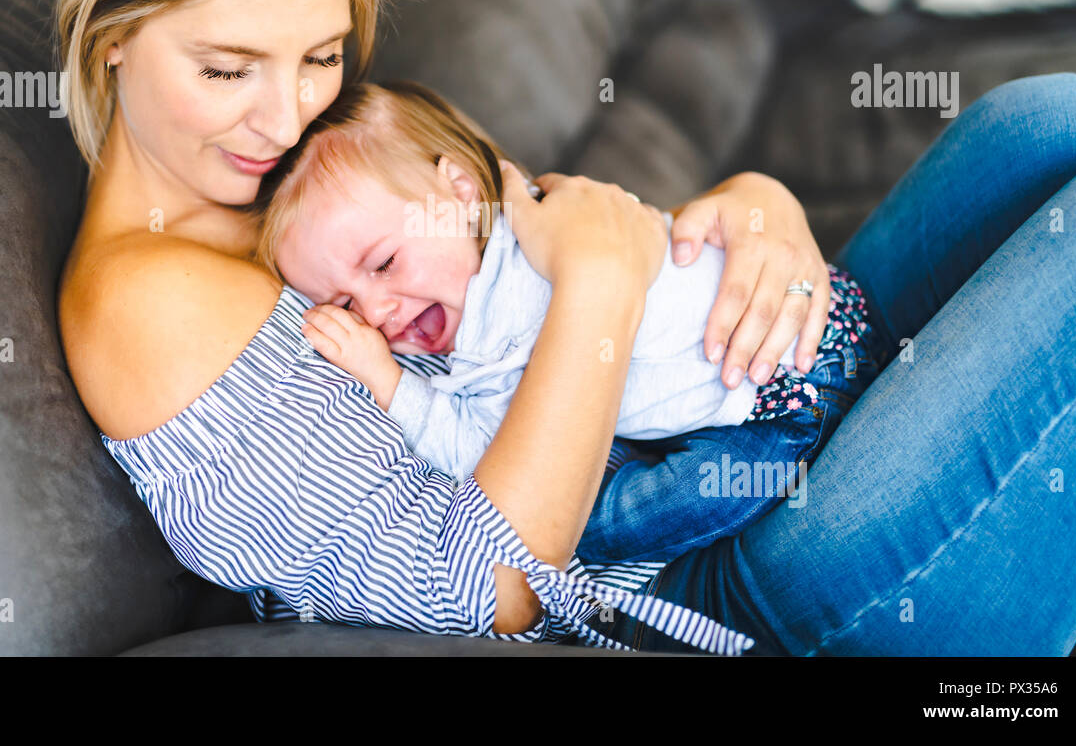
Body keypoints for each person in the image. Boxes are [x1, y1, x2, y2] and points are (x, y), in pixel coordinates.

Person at [9, 0, 1076, 654]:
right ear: (112, 33)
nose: (287, 111)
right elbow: (483, 587)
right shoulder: (145, 301)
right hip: (713, 576)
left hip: (727, 407)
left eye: (320, 55)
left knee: (1048, 121)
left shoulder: (289, 164)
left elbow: (558, 233)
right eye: (225, 67)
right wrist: (604, 286)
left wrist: (756, 212)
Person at [253, 79, 879, 563]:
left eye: (385, 261)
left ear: (462, 190)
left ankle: (837, 461)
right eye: (344, 305)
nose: (378, 312)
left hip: (787, 386)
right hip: (823, 308)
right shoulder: (542, 222)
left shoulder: (499, 321)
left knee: (597, 526)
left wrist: (390, 386)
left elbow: (486, 461)